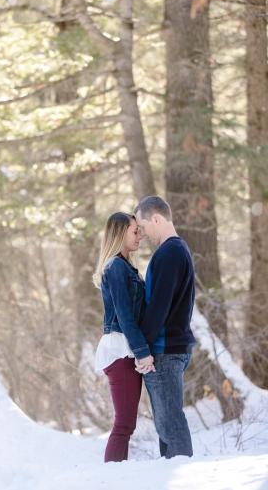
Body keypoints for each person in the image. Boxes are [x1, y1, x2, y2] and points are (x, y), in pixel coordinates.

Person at [134, 195, 197, 459]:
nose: (142, 233)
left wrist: (143, 349)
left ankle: (183, 476)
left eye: (143, 226)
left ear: (156, 219)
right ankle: (171, 473)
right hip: (170, 347)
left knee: (171, 425)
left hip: (164, 350)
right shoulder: (176, 249)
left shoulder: (169, 252)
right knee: (165, 426)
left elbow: (159, 306)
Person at [92, 212, 152, 462]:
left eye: (140, 230)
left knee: (126, 425)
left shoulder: (125, 265)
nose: (140, 235)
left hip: (126, 349)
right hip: (121, 349)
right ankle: (111, 479)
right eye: (134, 231)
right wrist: (143, 352)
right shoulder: (116, 266)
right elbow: (125, 316)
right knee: (124, 425)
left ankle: (117, 476)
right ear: (120, 234)